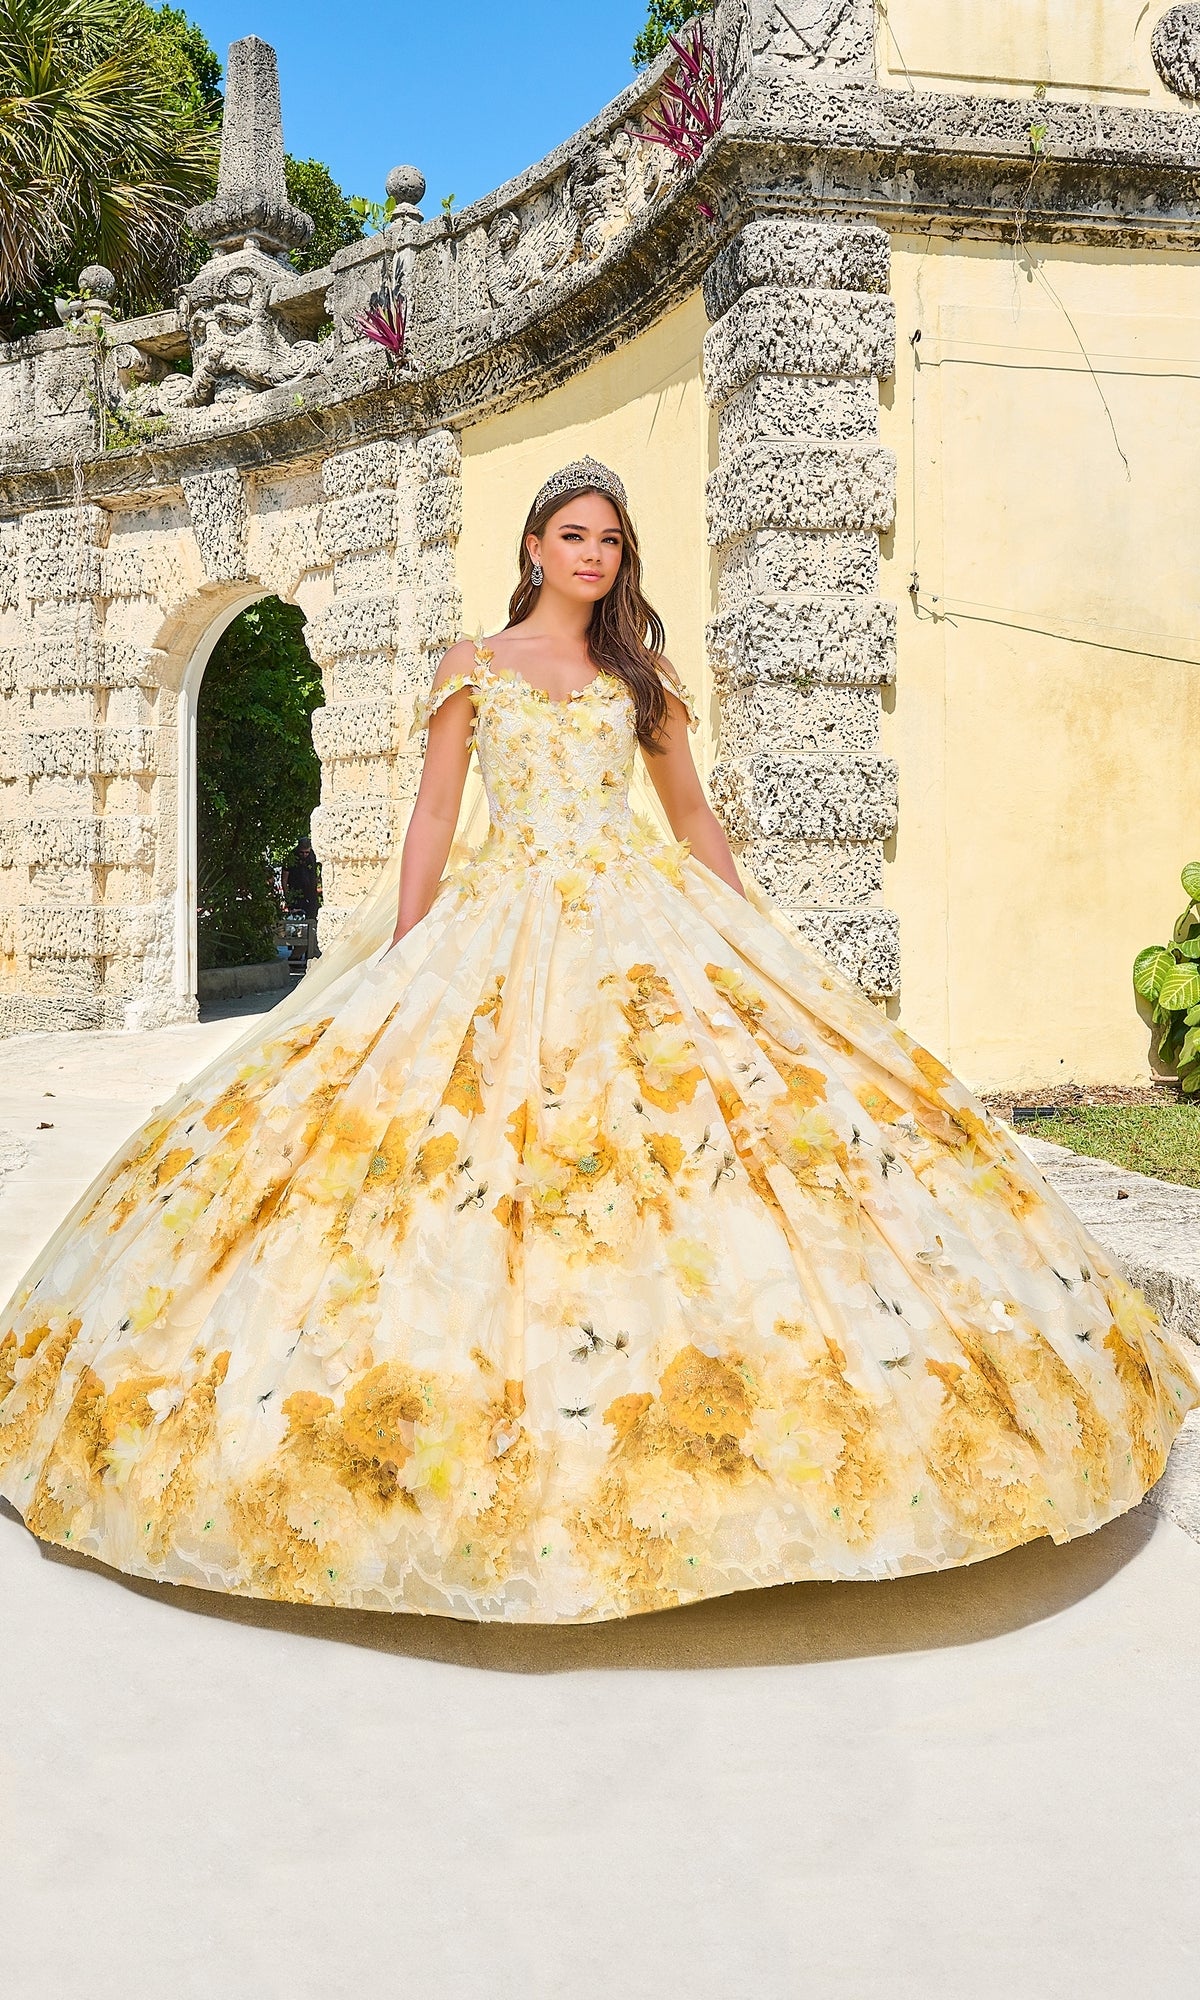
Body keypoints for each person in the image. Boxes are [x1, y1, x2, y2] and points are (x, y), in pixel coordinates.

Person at [0, 457, 1195, 1624]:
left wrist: (757, 948)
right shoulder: (473, 664)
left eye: (608, 539)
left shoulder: (640, 676)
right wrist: (410, 947)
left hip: (638, 917)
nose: (590, 553)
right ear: (532, 547)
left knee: (694, 1155)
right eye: (572, 534)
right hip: (497, 917)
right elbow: (432, 816)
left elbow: (691, 818)